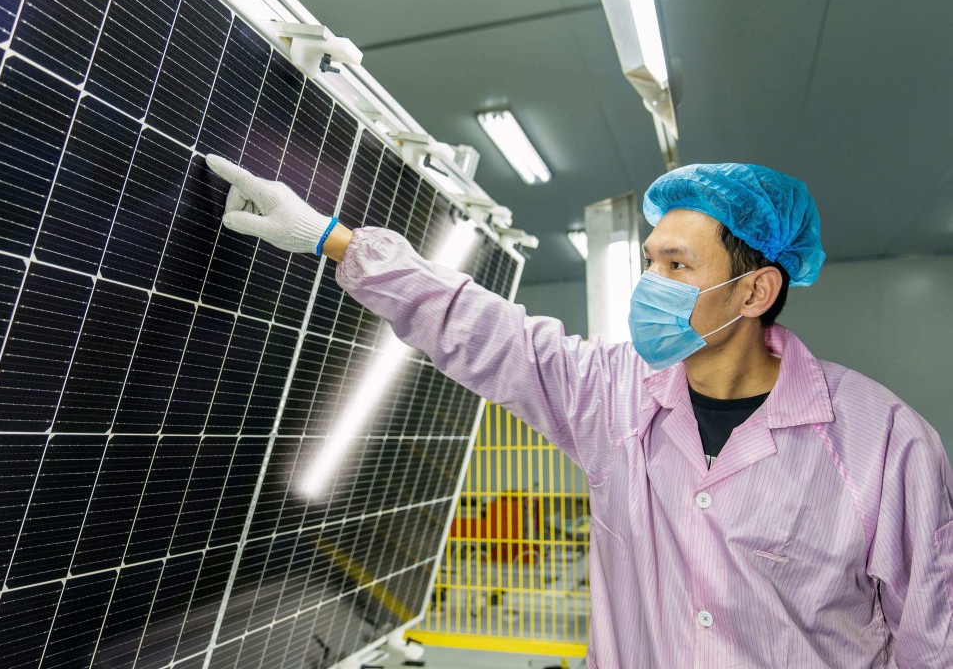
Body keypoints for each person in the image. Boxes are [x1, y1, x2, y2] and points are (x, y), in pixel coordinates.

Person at [206, 155, 953, 668]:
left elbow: (934, 642)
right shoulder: (613, 393)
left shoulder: (883, 444)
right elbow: (481, 330)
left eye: (678, 267)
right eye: (649, 261)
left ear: (755, 292)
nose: (650, 284)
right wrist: (332, 239)